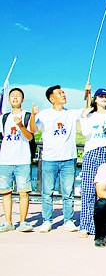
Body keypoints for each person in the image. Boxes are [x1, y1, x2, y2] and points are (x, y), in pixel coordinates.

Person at [35, 84, 87, 233]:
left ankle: (68, 220)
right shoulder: (44, 114)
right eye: (59, 93)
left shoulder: (70, 113)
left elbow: (87, 109)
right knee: (47, 192)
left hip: (68, 159)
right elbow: (33, 129)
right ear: (52, 98)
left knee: (68, 193)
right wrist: (33, 114)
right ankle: (47, 220)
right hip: (49, 159)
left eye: (63, 92)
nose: (63, 94)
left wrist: (88, 93)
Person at [79, 87, 106, 238]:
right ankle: (85, 225)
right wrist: (84, 116)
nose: (103, 99)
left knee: (105, 191)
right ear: (95, 99)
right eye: (100, 96)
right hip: (92, 152)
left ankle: (102, 225)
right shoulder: (90, 115)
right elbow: (85, 132)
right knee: (88, 190)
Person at [0, 87, 36, 232]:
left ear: (23, 99)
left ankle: (23, 222)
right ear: (8, 100)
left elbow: (30, 137)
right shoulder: (4, 118)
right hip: (5, 160)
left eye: (18, 96)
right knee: (5, 192)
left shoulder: (27, 116)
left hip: (22, 160)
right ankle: (8, 222)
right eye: (12, 96)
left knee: (23, 192)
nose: (15, 98)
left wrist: (21, 125)